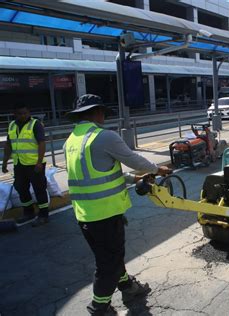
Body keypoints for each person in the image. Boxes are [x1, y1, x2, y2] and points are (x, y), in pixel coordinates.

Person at [64, 94, 171, 315]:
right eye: (102, 111)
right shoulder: (103, 137)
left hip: (85, 215)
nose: (104, 115)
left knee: (110, 256)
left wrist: (134, 180)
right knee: (107, 264)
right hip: (105, 214)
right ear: (96, 113)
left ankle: (127, 287)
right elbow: (133, 159)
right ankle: (99, 306)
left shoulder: (71, 140)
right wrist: (156, 169)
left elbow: (98, 175)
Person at [2, 104, 49, 227]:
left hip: (34, 164)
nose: (23, 116)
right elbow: (8, 145)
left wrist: (39, 162)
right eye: (20, 113)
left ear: (29, 113)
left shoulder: (35, 124)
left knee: (39, 189)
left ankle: (44, 215)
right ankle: (28, 212)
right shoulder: (12, 125)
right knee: (21, 188)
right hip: (19, 164)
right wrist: (5, 162)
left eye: (25, 113)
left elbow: (42, 143)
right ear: (15, 114)